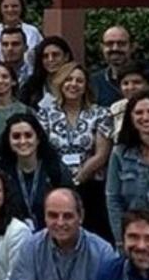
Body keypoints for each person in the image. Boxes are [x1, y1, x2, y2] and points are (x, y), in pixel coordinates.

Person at [37, 63, 113, 241]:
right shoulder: (46, 114)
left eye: (79, 80)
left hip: (91, 186)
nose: (73, 84)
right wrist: (63, 179)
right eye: (68, 80)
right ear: (60, 83)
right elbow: (42, 150)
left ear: (86, 85)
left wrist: (79, 178)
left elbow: (102, 154)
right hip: (55, 184)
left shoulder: (100, 113)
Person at [0, 113, 71, 231]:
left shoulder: (56, 170)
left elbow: (70, 207)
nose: (22, 141)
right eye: (16, 136)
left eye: (28, 135)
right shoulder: (1, 173)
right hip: (13, 237)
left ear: (38, 139)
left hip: (53, 235)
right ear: (9, 142)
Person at [108, 92, 149, 245]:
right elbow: (113, 200)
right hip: (134, 240)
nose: (145, 117)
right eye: (138, 112)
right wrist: (120, 240)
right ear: (130, 118)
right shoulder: (119, 153)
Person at [0, 0, 44, 72]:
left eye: (15, 6)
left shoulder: (33, 32)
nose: (10, 10)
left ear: (22, 7)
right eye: (6, 6)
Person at [19, 36, 73, 108]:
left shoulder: (77, 82)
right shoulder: (31, 87)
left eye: (55, 55)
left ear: (66, 56)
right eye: (45, 56)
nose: (50, 59)